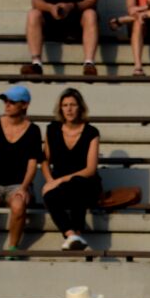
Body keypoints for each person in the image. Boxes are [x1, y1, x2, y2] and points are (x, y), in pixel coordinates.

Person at [0, 85, 43, 256]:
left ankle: (12, 248)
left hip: (18, 184)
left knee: (18, 205)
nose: (7, 104)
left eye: (12, 101)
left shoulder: (33, 130)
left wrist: (24, 187)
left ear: (24, 105)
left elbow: (32, 164)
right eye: (5, 100)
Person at [42, 88, 101, 250]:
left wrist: (59, 180)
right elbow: (44, 159)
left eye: (73, 105)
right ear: (60, 109)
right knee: (49, 195)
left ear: (80, 107)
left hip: (87, 183)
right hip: (61, 185)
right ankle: (72, 235)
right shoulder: (52, 129)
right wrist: (50, 180)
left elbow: (90, 169)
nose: (69, 109)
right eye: (65, 105)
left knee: (77, 184)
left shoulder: (91, 132)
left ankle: (77, 233)